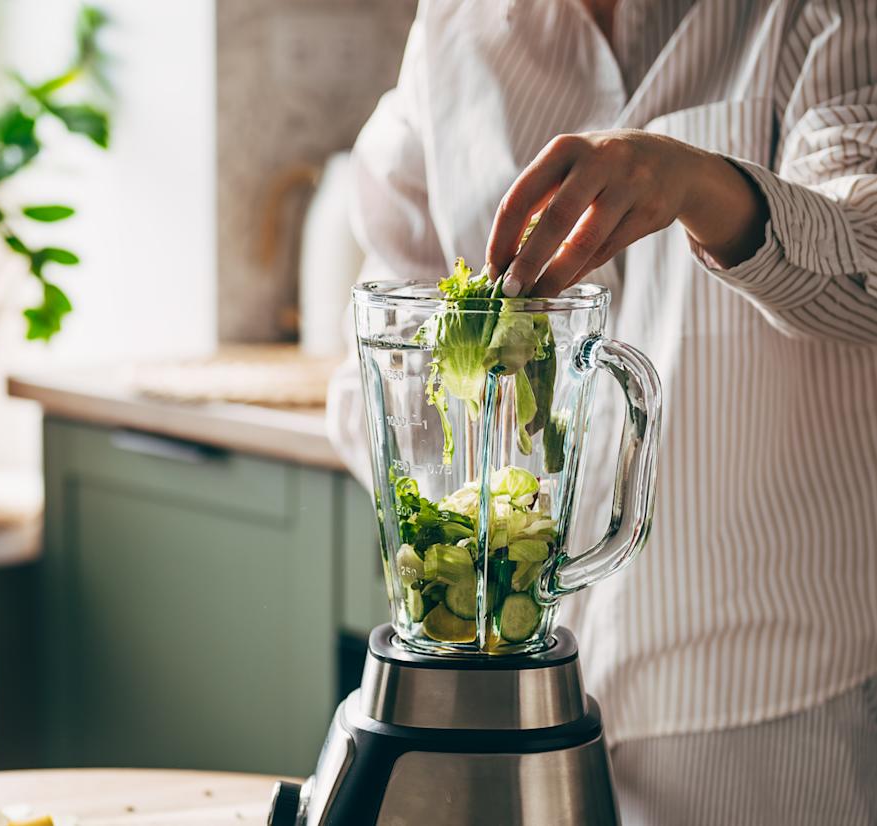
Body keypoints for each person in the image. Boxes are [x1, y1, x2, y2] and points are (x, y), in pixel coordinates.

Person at [328, 1, 877, 823]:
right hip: (501, 700)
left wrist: (701, 186)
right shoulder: (455, 27)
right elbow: (386, 315)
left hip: (762, 703)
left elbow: (862, 273)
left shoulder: (820, 15)